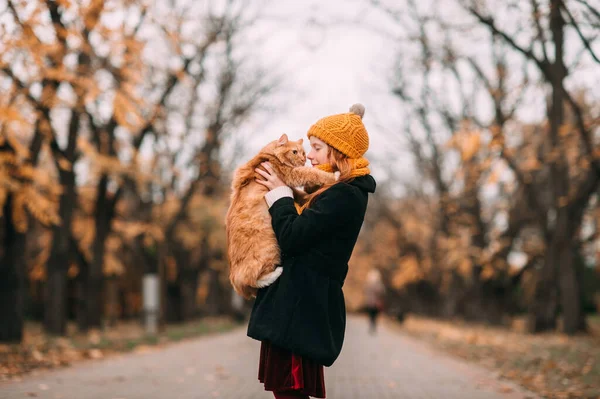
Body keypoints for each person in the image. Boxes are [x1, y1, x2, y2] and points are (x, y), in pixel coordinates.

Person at [247, 104, 376, 399]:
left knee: (290, 392)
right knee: (287, 391)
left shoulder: (344, 194)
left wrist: (279, 194)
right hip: (299, 304)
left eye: (318, 148)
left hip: (302, 306)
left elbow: (293, 236)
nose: (311, 155)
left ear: (338, 151)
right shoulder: (337, 191)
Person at [363, 268, 385, 335]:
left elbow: (365, 291)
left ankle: (372, 325)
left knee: (372, 315)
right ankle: (373, 325)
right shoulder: (377, 284)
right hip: (375, 302)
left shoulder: (369, 284)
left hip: (372, 302)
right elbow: (382, 291)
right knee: (374, 315)